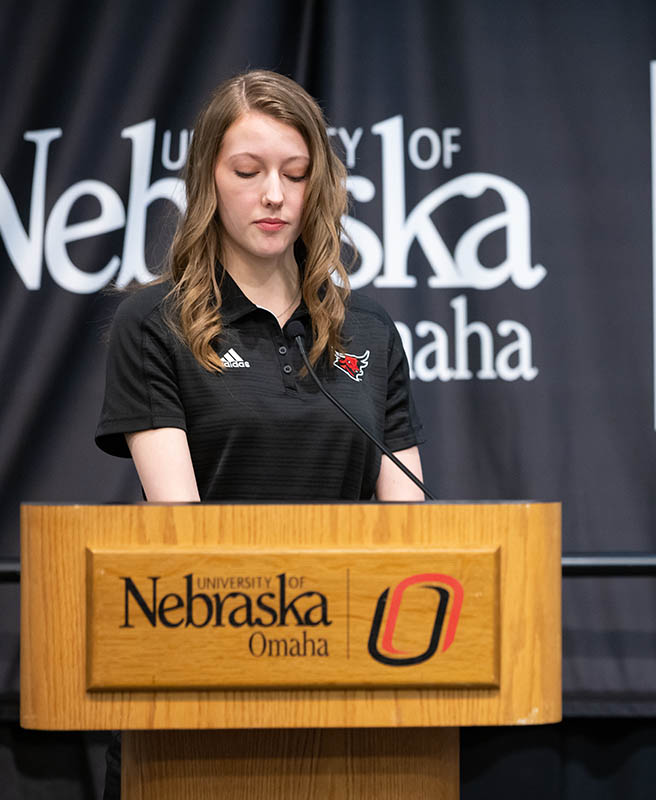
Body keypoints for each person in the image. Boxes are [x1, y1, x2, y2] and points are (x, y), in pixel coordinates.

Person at [95, 69, 426, 798]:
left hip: (351, 685)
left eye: (295, 173)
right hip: (204, 676)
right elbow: (179, 534)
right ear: (209, 181)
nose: (274, 194)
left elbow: (411, 531)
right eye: (248, 171)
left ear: (319, 185)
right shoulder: (155, 323)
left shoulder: (368, 329)